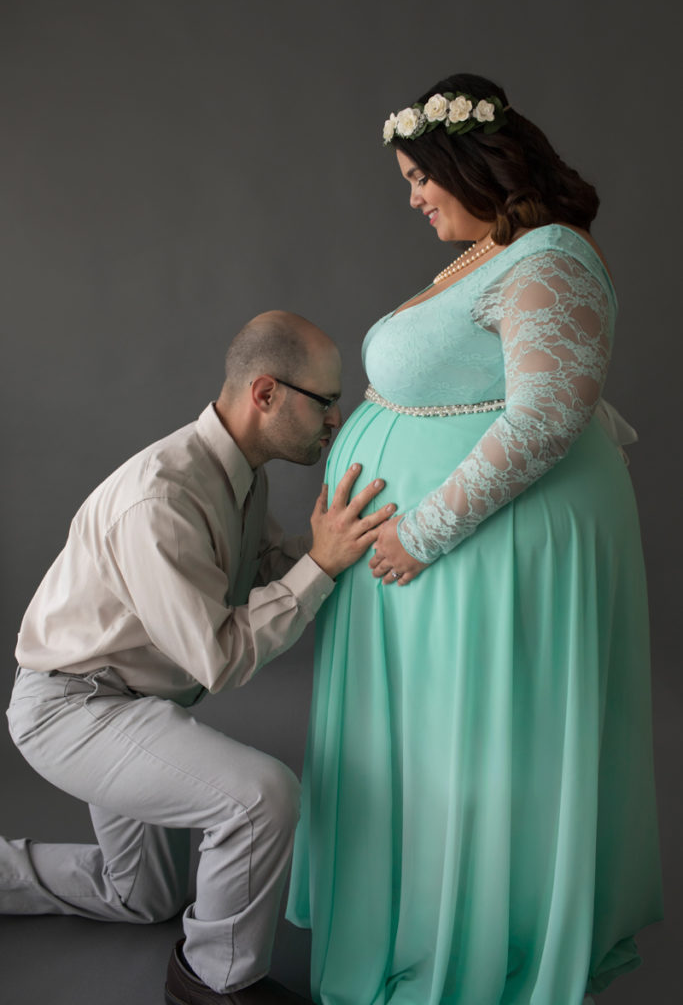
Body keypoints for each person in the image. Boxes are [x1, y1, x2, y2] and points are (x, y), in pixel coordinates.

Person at [286, 75, 663, 1004]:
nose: (413, 196)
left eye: (420, 176)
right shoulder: (493, 255)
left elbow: (546, 417)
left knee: (482, 746)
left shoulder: (550, 259)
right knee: (437, 751)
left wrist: (422, 529)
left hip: (480, 552)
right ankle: (425, 918)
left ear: (471, 164)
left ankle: (483, 935)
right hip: (445, 555)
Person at [2, 310, 396, 1005]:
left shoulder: (239, 471)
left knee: (140, 897)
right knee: (261, 797)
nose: (337, 419)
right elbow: (219, 657)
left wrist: (344, 554)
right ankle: (214, 980)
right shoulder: (162, 496)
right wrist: (321, 568)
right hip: (74, 709)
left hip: (132, 703)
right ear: (266, 394)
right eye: (326, 401)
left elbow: (268, 569)